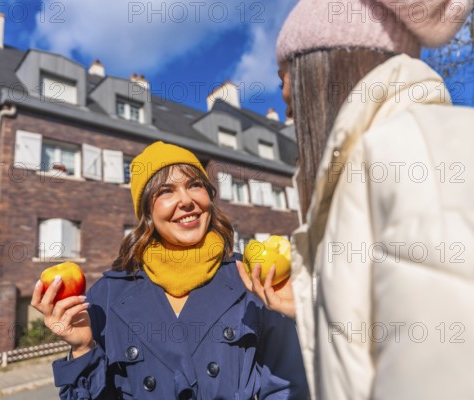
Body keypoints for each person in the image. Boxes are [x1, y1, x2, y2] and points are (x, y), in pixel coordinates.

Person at [239, 0, 474, 399]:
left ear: (325, 67)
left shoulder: (421, 161)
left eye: (286, 78)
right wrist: (312, 302)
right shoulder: (393, 166)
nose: (283, 96)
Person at [31, 141, 309, 399]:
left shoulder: (250, 278)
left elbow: (289, 387)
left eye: (195, 185)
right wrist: (82, 349)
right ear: (147, 214)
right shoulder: (108, 294)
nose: (186, 200)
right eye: (165, 191)